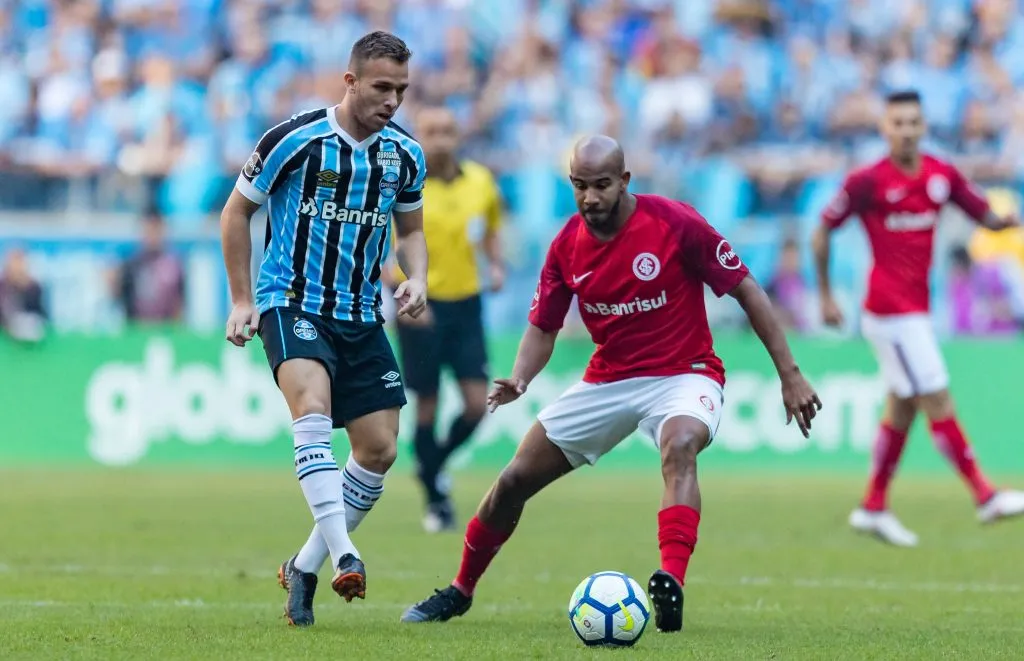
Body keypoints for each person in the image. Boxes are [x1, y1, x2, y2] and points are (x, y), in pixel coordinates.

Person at [399, 135, 821, 632]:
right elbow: (543, 326)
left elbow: (747, 288)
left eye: (601, 185)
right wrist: (520, 376)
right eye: (580, 186)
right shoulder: (565, 247)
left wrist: (789, 375)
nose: (590, 198)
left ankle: (671, 581)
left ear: (624, 181)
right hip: (609, 379)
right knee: (512, 482)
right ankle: (460, 589)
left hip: (684, 372)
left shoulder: (675, 222)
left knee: (680, 444)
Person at [219, 31, 429, 627]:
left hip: (362, 314)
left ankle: (304, 565)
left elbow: (411, 230)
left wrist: (417, 278)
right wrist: (241, 300)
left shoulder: (404, 155)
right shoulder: (294, 139)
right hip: (292, 302)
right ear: (351, 81)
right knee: (310, 405)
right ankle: (345, 553)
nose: (393, 100)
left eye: (402, 90)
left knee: (380, 448)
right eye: (382, 87)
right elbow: (237, 212)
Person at [813, 90, 1024, 548]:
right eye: (898, 123)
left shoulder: (939, 175)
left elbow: (984, 215)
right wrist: (827, 295)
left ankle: (873, 506)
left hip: (917, 310)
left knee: (902, 408)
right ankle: (985, 495)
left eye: (913, 122)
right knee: (938, 399)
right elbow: (823, 229)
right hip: (890, 313)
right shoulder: (866, 181)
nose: (906, 130)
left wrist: (1007, 223)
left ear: (923, 126)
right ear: (884, 129)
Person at [384, 106, 505, 533]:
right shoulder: (402, 183)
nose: (439, 140)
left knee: (477, 404)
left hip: (467, 304)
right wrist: (403, 291)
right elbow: (383, 246)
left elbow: (491, 228)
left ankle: (430, 466)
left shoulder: (481, 182)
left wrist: (496, 264)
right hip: (421, 304)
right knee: (428, 405)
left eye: (447, 131)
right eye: (431, 132)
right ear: (419, 136)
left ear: (458, 135)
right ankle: (436, 500)